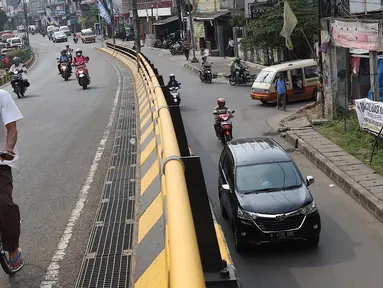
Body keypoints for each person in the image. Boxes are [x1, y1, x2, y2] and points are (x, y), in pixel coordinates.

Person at [0, 88, 24, 273]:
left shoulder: (2, 96)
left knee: (4, 205)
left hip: (0, 161)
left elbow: (11, 127)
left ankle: (12, 247)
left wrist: (8, 150)